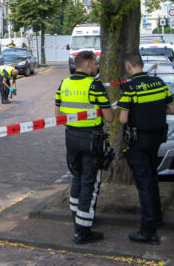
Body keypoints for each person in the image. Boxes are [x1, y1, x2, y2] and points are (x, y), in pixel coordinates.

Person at [55, 51, 114, 244]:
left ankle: (77, 219)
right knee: (90, 182)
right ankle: (82, 232)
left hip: (71, 138)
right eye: (96, 63)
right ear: (88, 64)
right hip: (91, 139)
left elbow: (58, 115)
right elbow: (109, 117)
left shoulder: (64, 84)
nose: (97, 67)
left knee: (77, 178)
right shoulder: (94, 85)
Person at [118, 52, 174, 245]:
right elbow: (171, 109)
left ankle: (148, 231)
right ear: (141, 64)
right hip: (157, 138)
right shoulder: (159, 83)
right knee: (153, 177)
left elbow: (123, 119)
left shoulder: (130, 88)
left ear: (128, 66)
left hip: (139, 141)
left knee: (144, 184)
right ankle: (157, 217)